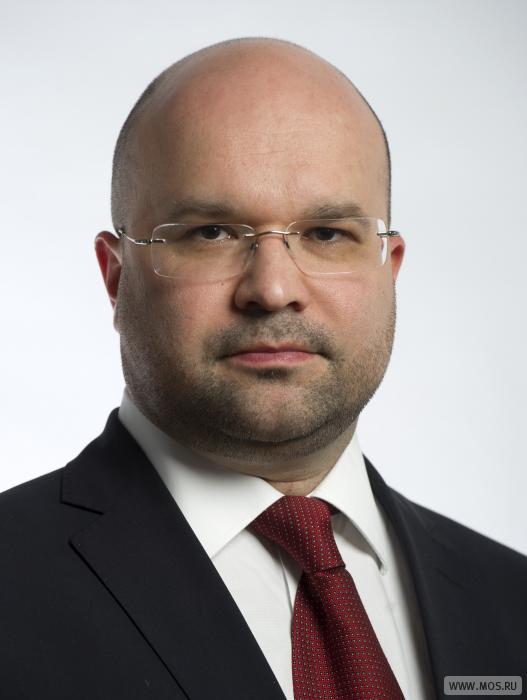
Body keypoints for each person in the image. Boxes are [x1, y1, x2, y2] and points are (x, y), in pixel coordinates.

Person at [1, 37, 525, 700]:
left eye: (327, 233)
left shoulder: (510, 600)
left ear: (388, 271)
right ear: (116, 277)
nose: (273, 289)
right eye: (211, 233)